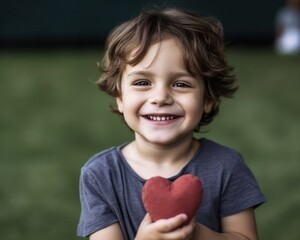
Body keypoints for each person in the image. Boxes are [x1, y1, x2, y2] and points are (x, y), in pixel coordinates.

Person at [77, 7, 265, 240]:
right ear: (120, 97)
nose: (161, 97)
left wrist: (197, 235)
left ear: (207, 99)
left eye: (181, 84)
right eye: (143, 82)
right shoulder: (100, 175)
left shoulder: (226, 166)